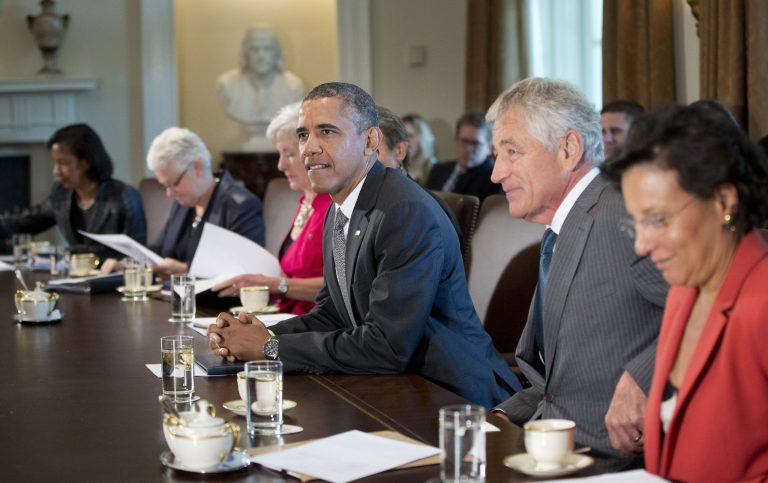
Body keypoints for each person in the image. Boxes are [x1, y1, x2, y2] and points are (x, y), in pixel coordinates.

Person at [208, 82, 521, 408]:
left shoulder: (404, 211)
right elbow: (332, 314)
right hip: (390, 385)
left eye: (327, 132)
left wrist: (270, 349)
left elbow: (386, 347)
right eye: (303, 135)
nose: (309, 148)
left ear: (370, 141)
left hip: (451, 397)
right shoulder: (339, 209)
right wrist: (260, 334)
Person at [488, 78, 668, 462]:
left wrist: (643, 378)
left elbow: (713, 308)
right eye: (496, 155)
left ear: (569, 149)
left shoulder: (625, 211)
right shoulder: (563, 227)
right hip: (551, 445)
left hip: (611, 457)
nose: (496, 173)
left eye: (512, 152)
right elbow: (558, 373)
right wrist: (507, 414)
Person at [602, 103, 768, 481]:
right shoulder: (683, 291)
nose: (642, 245)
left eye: (658, 220)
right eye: (636, 224)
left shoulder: (763, 305)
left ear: (724, 201)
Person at [212, 103, 331, 315]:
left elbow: (341, 286)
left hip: (317, 326)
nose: (280, 165)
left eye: (289, 154)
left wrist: (274, 284)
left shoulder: (332, 207)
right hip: (283, 316)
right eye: (279, 154)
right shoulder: (305, 202)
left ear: (311, 152)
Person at [0, 123, 146, 258]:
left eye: (63, 163)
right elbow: (27, 221)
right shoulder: (62, 195)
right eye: (55, 162)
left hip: (114, 280)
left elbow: (137, 254)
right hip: (75, 278)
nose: (55, 171)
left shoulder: (125, 196)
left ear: (86, 162)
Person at [146, 127, 265, 278]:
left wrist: (186, 270)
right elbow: (159, 250)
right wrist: (129, 264)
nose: (169, 193)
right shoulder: (183, 202)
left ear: (198, 167)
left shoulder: (241, 206)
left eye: (173, 183)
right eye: (164, 186)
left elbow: (245, 272)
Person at [217, 25, 305, 150]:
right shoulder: (227, 84)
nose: (261, 56)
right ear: (245, 53)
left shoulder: (293, 86)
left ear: (276, 53)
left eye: (267, 49)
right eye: (254, 49)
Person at [426, 111, 502, 203]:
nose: (468, 149)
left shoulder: (495, 179)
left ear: (489, 148)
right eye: (464, 141)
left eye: (475, 143)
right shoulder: (438, 170)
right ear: (456, 140)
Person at [402, 113, 437, 185]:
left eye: (410, 136)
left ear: (423, 139)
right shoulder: (396, 167)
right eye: (402, 135)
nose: (405, 141)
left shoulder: (433, 169)